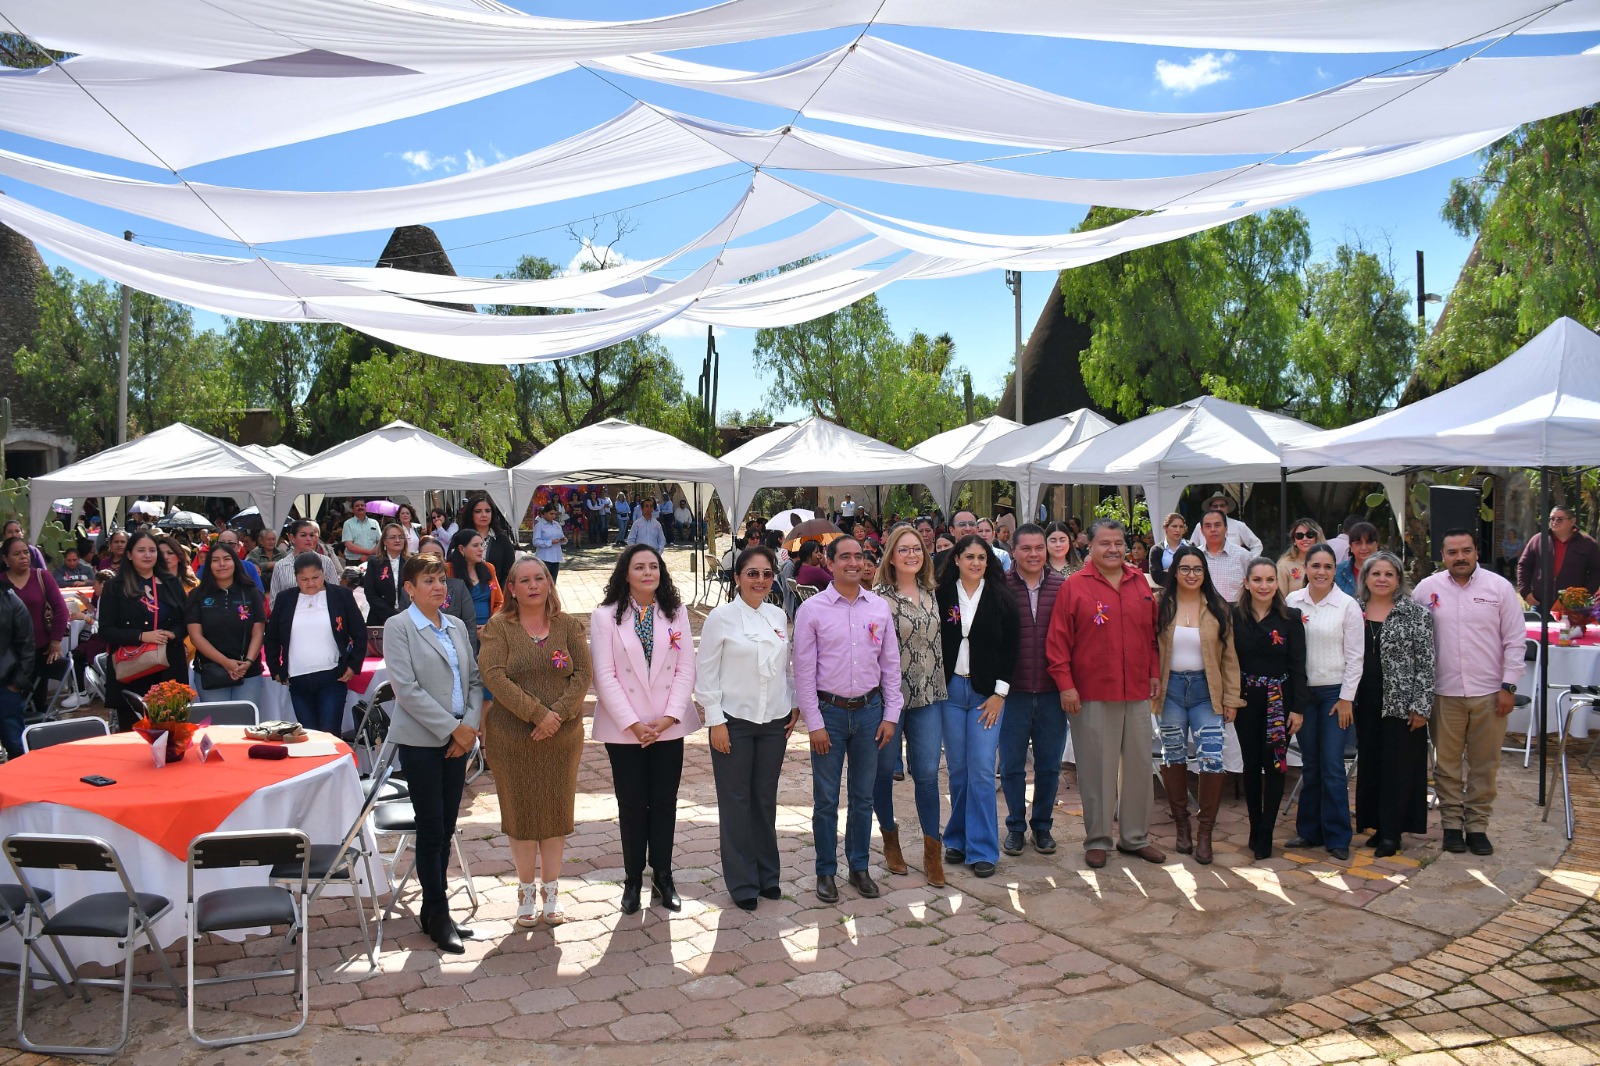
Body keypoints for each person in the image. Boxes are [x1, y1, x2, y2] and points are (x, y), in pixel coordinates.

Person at [479, 555, 592, 927]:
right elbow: (494, 677)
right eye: (523, 580)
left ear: (548, 583)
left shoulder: (568, 625)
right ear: (511, 588)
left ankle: (553, 890)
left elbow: (583, 675)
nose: (532, 585)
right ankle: (525, 891)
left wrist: (555, 716)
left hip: (561, 740)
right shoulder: (499, 628)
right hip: (514, 740)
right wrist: (536, 714)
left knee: (556, 815)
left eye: (539, 578)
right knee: (521, 815)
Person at [1046, 518, 1164, 869]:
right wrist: (1065, 685)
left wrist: (1154, 672)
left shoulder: (1139, 582)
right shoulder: (1075, 587)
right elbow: (1058, 643)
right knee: (1098, 768)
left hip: (1137, 692)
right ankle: (1097, 839)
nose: (1112, 549)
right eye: (1104, 543)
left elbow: (1151, 636)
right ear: (1090, 547)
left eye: (1118, 543)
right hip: (1092, 693)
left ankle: (1135, 837)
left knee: (1140, 766)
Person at [590, 545, 699, 915]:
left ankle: (664, 876)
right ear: (626, 573)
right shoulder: (605, 617)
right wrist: (635, 724)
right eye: (639, 567)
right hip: (626, 730)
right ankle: (633, 877)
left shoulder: (676, 613)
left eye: (654, 566)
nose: (648, 572)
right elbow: (604, 675)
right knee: (632, 804)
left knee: (665, 803)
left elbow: (686, 670)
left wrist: (669, 718)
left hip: (668, 725)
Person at [383, 553, 483, 954]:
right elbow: (406, 689)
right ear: (409, 588)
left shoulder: (456, 625)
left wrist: (469, 728)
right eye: (428, 581)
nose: (438, 587)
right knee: (430, 828)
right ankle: (438, 911)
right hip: (423, 741)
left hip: (459, 739)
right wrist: (451, 728)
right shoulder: (399, 626)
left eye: (441, 579)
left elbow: (474, 680)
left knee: (446, 826)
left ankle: (433, 908)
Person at [794, 536, 902, 903]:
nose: (854, 563)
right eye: (845, 557)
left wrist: (891, 715)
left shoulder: (879, 608)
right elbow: (803, 673)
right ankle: (826, 871)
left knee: (862, 797)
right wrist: (814, 722)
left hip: (871, 714)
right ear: (829, 562)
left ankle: (859, 866)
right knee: (825, 799)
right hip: (830, 714)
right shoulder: (813, 610)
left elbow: (890, 666)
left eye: (859, 556)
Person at [697, 545, 796, 910]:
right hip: (733, 722)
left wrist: (795, 703)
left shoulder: (776, 614)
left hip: (774, 721)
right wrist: (715, 721)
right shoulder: (720, 618)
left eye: (767, 574)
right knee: (736, 802)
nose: (760, 580)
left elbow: (787, 665)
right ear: (737, 577)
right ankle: (742, 882)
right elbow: (705, 673)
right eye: (752, 573)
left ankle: (768, 876)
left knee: (764, 800)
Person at [1415, 529, 1525, 856]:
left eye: (1466, 550)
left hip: (1490, 694)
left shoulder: (1499, 588)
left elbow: (1515, 641)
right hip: (1444, 693)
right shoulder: (1426, 590)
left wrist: (1509, 686)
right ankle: (1451, 825)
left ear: (1476, 552)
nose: (1459, 557)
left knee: (1484, 764)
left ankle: (1477, 826)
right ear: (1443, 555)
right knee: (1446, 764)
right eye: (1452, 552)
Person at [1154, 545, 1243, 864]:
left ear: (1205, 574)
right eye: (1185, 568)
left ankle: (1205, 831)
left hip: (1208, 691)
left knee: (1212, 759)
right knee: (1173, 756)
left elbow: (1230, 657)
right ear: (1174, 571)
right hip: (1172, 690)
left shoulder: (1218, 607)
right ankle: (1182, 826)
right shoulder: (1161, 605)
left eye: (1197, 569)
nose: (1191, 575)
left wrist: (1232, 697)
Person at [871, 523, 948, 886]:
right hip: (891, 701)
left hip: (930, 696)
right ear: (891, 555)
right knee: (884, 772)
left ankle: (933, 853)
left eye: (916, 548)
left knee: (928, 775)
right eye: (903, 549)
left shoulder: (934, 593)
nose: (912, 554)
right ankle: (890, 841)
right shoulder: (879, 598)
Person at [1283, 543, 1364, 861]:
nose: (1321, 572)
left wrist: (1347, 699)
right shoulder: (1292, 601)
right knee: (1311, 765)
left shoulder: (1347, 606)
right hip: (1303, 695)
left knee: (1332, 765)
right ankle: (1309, 831)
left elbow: (1356, 658)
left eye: (1327, 566)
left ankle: (1338, 836)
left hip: (1334, 696)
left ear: (1335, 570)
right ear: (1305, 568)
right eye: (1315, 566)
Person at [1352, 551, 1434, 858]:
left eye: (1389, 574)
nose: (1382, 579)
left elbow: (1426, 663)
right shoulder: (1353, 609)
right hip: (1363, 699)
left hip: (1402, 702)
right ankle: (1375, 826)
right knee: (1371, 763)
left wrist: (1421, 706)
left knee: (1398, 767)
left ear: (1398, 579)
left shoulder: (1416, 614)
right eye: (1376, 574)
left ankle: (1392, 833)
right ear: (1366, 578)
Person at [998, 524, 1068, 859]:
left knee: (1049, 766)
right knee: (1011, 766)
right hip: (1012, 693)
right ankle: (1015, 826)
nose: (1034, 554)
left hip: (1053, 692)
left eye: (1039, 547)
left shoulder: (1062, 586)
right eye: (1026, 548)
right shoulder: (999, 587)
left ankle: (1042, 826)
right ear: (1014, 551)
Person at [1233, 558, 1308, 860]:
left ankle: (1267, 831)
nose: (1264, 586)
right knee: (1250, 765)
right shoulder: (1234, 616)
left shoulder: (1290, 617)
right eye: (1258, 580)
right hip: (1246, 700)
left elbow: (1299, 664)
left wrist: (1298, 708)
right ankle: (1254, 826)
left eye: (1270, 580)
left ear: (1277, 583)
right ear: (1247, 583)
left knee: (1275, 766)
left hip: (1280, 701)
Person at [266, 552, 366, 736]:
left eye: (315, 577)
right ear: (296, 578)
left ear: (323, 574)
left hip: (332, 677)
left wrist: (353, 664)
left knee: (329, 734)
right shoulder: (285, 599)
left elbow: (360, 633)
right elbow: (271, 637)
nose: (311, 583)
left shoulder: (341, 595)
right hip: (298, 678)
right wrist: (276, 669)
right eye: (304, 579)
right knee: (309, 735)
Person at [98, 530, 189, 731]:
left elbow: (186, 620)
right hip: (134, 669)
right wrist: (141, 636)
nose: (148, 555)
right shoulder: (115, 586)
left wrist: (173, 633)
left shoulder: (171, 582)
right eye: (141, 550)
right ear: (129, 554)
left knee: (171, 731)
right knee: (134, 732)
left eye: (152, 550)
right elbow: (105, 630)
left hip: (168, 667)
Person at [185, 541, 267, 708]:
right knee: (218, 727)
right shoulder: (198, 595)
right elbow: (195, 636)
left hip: (248, 672)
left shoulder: (252, 593)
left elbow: (258, 631)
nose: (222, 564)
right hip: (211, 671)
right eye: (215, 560)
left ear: (235, 562)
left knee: (245, 725)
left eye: (227, 559)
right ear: (209, 565)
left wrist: (249, 662)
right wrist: (226, 662)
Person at [2, 536, 67, 716]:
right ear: (6, 559)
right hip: (7, 654)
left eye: (26, 552)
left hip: (39, 652)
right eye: (17, 554)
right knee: (11, 705)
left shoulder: (41, 576)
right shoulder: (2, 582)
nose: (23, 557)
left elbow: (61, 610)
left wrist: (55, 641)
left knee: (36, 703)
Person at [1518, 505, 1600, 608]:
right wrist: (1525, 592)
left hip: (1573, 606)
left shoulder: (1588, 543)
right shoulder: (1538, 540)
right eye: (1552, 518)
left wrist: (1585, 594)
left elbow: (1596, 571)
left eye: (1560, 519)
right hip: (1540, 604)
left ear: (1572, 521)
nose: (1554, 522)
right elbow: (1524, 566)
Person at [448, 529, 504, 649]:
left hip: (489, 629)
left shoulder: (489, 568)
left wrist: (490, 625)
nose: (481, 549)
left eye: (481, 544)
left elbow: (499, 602)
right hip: (459, 632)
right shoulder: (448, 571)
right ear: (461, 549)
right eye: (475, 545)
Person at [270, 520, 340, 598]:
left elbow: (335, 593)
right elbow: (275, 600)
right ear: (292, 538)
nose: (309, 539)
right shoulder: (280, 566)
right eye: (303, 535)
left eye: (311, 535)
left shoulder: (326, 562)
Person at [459, 494, 516, 588]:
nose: (484, 515)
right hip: (465, 595)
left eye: (487, 511)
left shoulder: (502, 539)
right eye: (478, 511)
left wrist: (500, 595)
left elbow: (509, 572)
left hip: (496, 595)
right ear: (471, 513)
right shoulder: (460, 538)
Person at [362, 522, 411, 627]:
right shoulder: (374, 563)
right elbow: (370, 593)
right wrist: (390, 615)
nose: (397, 540)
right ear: (384, 541)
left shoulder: (411, 562)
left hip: (408, 617)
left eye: (401, 537)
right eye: (393, 537)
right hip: (380, 618)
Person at [1198, 509, 1253, 602]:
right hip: (1203, 613)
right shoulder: (1195, 556)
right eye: (1208, 526)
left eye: (1217, 525)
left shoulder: (1243, 556)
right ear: (1202, 531)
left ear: (1226, 528)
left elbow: (1252, 587)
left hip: (1235, 613)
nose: (1213, 529)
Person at [1277, 518, 1325, 596]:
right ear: (1294, 541)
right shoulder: (1284, 566)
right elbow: (1280, 600)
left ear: (1317, 538)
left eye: (1310, 535)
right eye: (1299, 536)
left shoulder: (1326, 564)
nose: (1305, 539)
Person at [1334, 522, 1380, 595]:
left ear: (1377, 545)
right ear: (1351, 546)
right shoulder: (1340, 570)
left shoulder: (1387, 569)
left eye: (1369, 542)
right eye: (1358, 543)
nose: (1364, 548)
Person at [1148, 513, 1189, 585]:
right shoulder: (1156, 550)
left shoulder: (1191, 546)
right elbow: (1157, 576)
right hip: (1165, 591)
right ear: (1166, 528)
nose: (1178, 530)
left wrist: (1169, 571)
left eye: (1181, 527)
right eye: (1174, 526)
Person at [530, 502, 567, 583]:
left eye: (555, 514)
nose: (553, 516)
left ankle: (551, 595)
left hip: (556, 557)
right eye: (551, 514)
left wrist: (563, 540)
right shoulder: (539, 525)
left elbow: (561, 537)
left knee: (553, 582)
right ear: (544, 513)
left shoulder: (556, 524)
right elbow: (536, 541)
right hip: (545, 557)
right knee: (544, 582)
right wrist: (550, 542)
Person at [341, 499, 381, 567]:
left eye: (362, 505)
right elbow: (349, 545)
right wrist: (369, 552)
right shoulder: (348, 524)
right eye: (357, 506)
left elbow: (381, 542)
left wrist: (368, 555)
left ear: (366, 508)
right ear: (353, 510)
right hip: (354, 562)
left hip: (373, 560)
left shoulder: (374, 523)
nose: (360, 507)